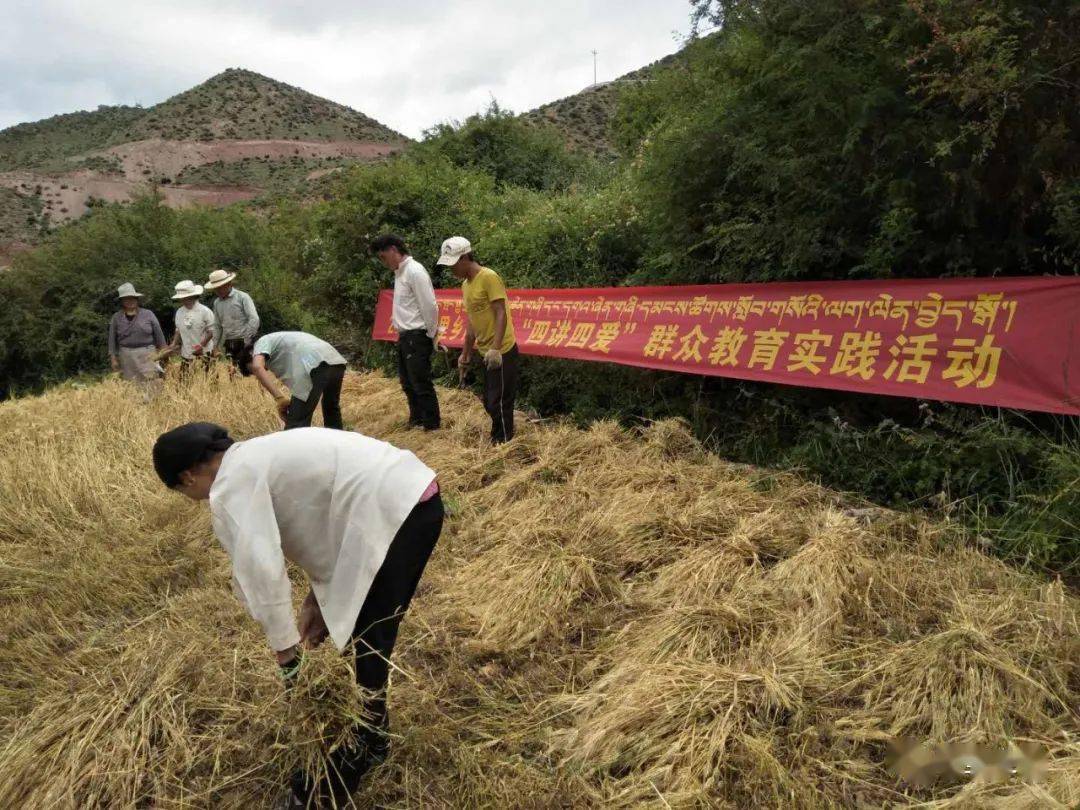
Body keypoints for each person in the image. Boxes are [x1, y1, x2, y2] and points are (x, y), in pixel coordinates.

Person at [151, 422, 444, 807]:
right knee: (366, 627)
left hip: (397, 510)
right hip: (408, 496)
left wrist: (287, 655)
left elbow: (262, 569)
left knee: (370, 633)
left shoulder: (230, 485)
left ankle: (364, 746)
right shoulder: (256, 455)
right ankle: (369, 731)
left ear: (187, 476)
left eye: (182, 491)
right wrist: (315, 601)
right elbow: (322, 520)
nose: (194, 499)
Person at [436, 236, 520, 443]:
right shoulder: (466, 285)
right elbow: (472, 321)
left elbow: (501, 312)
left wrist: (496, 349)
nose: (451, 270)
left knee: (498, 401)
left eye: (453, 264)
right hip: (484, 350)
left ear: (465, 257)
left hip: (502, 351)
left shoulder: (488, 277)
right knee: (489, 401)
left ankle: (503, 441)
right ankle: (500, 435)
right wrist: (465, 353)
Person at [371, 234, 441, 431]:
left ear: (394, 250)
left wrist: (432, 333)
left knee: (420, 381)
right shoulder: (400, 273)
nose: (383, 262)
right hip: (405, 335)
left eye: (383, 257)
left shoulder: (415, 271)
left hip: (417, 334)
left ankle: (431, 424)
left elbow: (429, 305)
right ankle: (417, 419)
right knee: (407, 381)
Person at [244, 331, 348, 430]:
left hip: (314, 362)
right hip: (335, 360)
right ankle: (339, 446)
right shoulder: (279, 342)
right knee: (331, 412)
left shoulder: (261, 342)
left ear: (250, 354)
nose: (264, 369)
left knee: (295, 425)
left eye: (251, 370)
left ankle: (293, 448)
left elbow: (257, 367)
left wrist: (279, 398)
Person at [107, 282, 167, 392]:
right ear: (122, 301)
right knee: (132, 385)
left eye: (132, 298)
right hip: (127, 356)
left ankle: (155, 406)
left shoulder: (148, 314)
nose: (130, 301)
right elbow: (112, 340)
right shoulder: (116, 317)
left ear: (137, 299)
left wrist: (164, 353)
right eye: (126, 299)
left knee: (152, 382)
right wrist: (113, 359)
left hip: (148, 354)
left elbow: (159, 335)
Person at [205, 268, 260, 369]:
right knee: (232, 371)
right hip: (229, 341)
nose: (218, 290)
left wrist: (247, 339)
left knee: (249, 370)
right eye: (216, 288)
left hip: (245, 339)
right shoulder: (217, 303)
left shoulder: (242, 297)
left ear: (229, 283)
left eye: (220, 287)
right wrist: (215, 345)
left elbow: (254, 319)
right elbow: (217, 326)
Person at [162, 280, 216, 371]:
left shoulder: (205, 311)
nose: (183, 300)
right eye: (182, 298)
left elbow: (211, 332)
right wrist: (173, 343)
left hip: (205, 353)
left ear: (193, 296)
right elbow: (178, 330)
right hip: (186, 354)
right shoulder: (179, 312)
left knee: (208, 382)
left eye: (186, 297)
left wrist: (201, 346)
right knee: (185, 382)